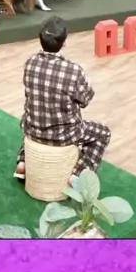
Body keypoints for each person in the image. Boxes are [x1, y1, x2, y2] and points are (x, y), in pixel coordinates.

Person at [14, 17, 111, 180]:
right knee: (103, 133)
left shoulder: (30, 63)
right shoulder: (73, 71)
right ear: (64, 42)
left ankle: (23, 162)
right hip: (65, 134)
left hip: (33, 128)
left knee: (33, 118)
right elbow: (85, 101)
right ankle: (78, 175)